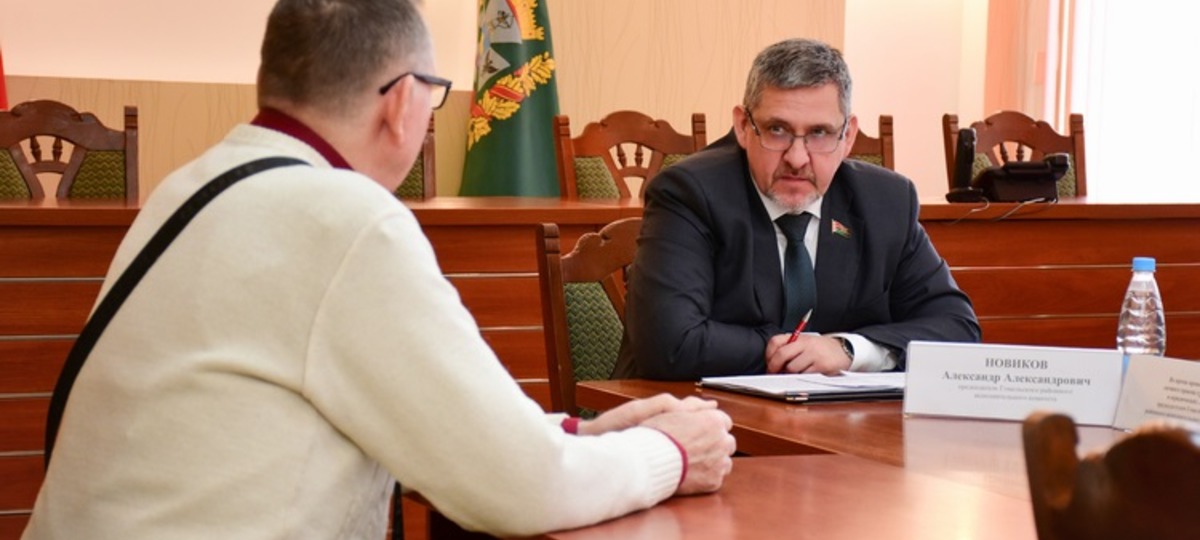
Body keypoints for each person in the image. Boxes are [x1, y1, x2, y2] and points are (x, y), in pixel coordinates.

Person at [21, 1, 735, 538]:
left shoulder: (192, 185)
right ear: (401, 101)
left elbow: (450, 432)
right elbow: (520, 490)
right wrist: (670, 453)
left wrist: (590, 434)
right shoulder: (343, 217)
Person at [614, 38, 980, 381]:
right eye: (777, 130)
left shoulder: (886, 200)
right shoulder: (690, 193)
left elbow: (957, 329)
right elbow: (670, 344)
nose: (797, 158)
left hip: (835, 420)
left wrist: (848, 350)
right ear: (743, 126)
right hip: (690, 413)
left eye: (819, 133)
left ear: (848, 136)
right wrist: (799, 351)